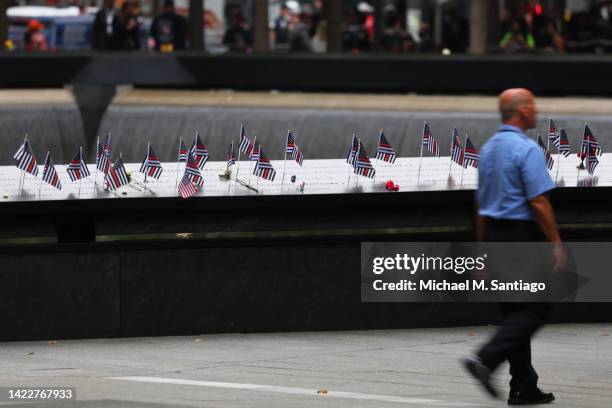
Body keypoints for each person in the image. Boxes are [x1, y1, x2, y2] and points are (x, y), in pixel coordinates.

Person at [463, 88, 566, 405]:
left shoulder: (490, 149)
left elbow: (480, 205)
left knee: (515, 312)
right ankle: (486, 359)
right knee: (535, 308)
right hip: (521, 238)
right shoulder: (525, 149)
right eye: (533, 106)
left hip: (495, 236)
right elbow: (538, 201)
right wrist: (556, 242)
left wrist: (483, 249)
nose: (536, 111)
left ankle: (523, 387)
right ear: (522, 112)